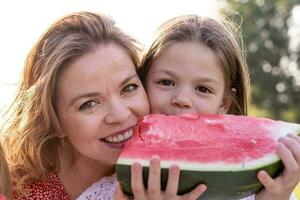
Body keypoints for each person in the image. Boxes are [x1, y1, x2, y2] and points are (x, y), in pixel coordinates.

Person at [114, 15, 300, 200]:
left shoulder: (261, 193)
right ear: (142, 84)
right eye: (166, 82)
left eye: (203, 89)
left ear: (224, 103)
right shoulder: (110, 189)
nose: (182, 99)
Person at [0, 11, 152, 199]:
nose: (120, 114)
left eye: (129, 88)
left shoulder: (174, 174)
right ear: (54, 121)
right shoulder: (13, 191)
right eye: (89, 104)